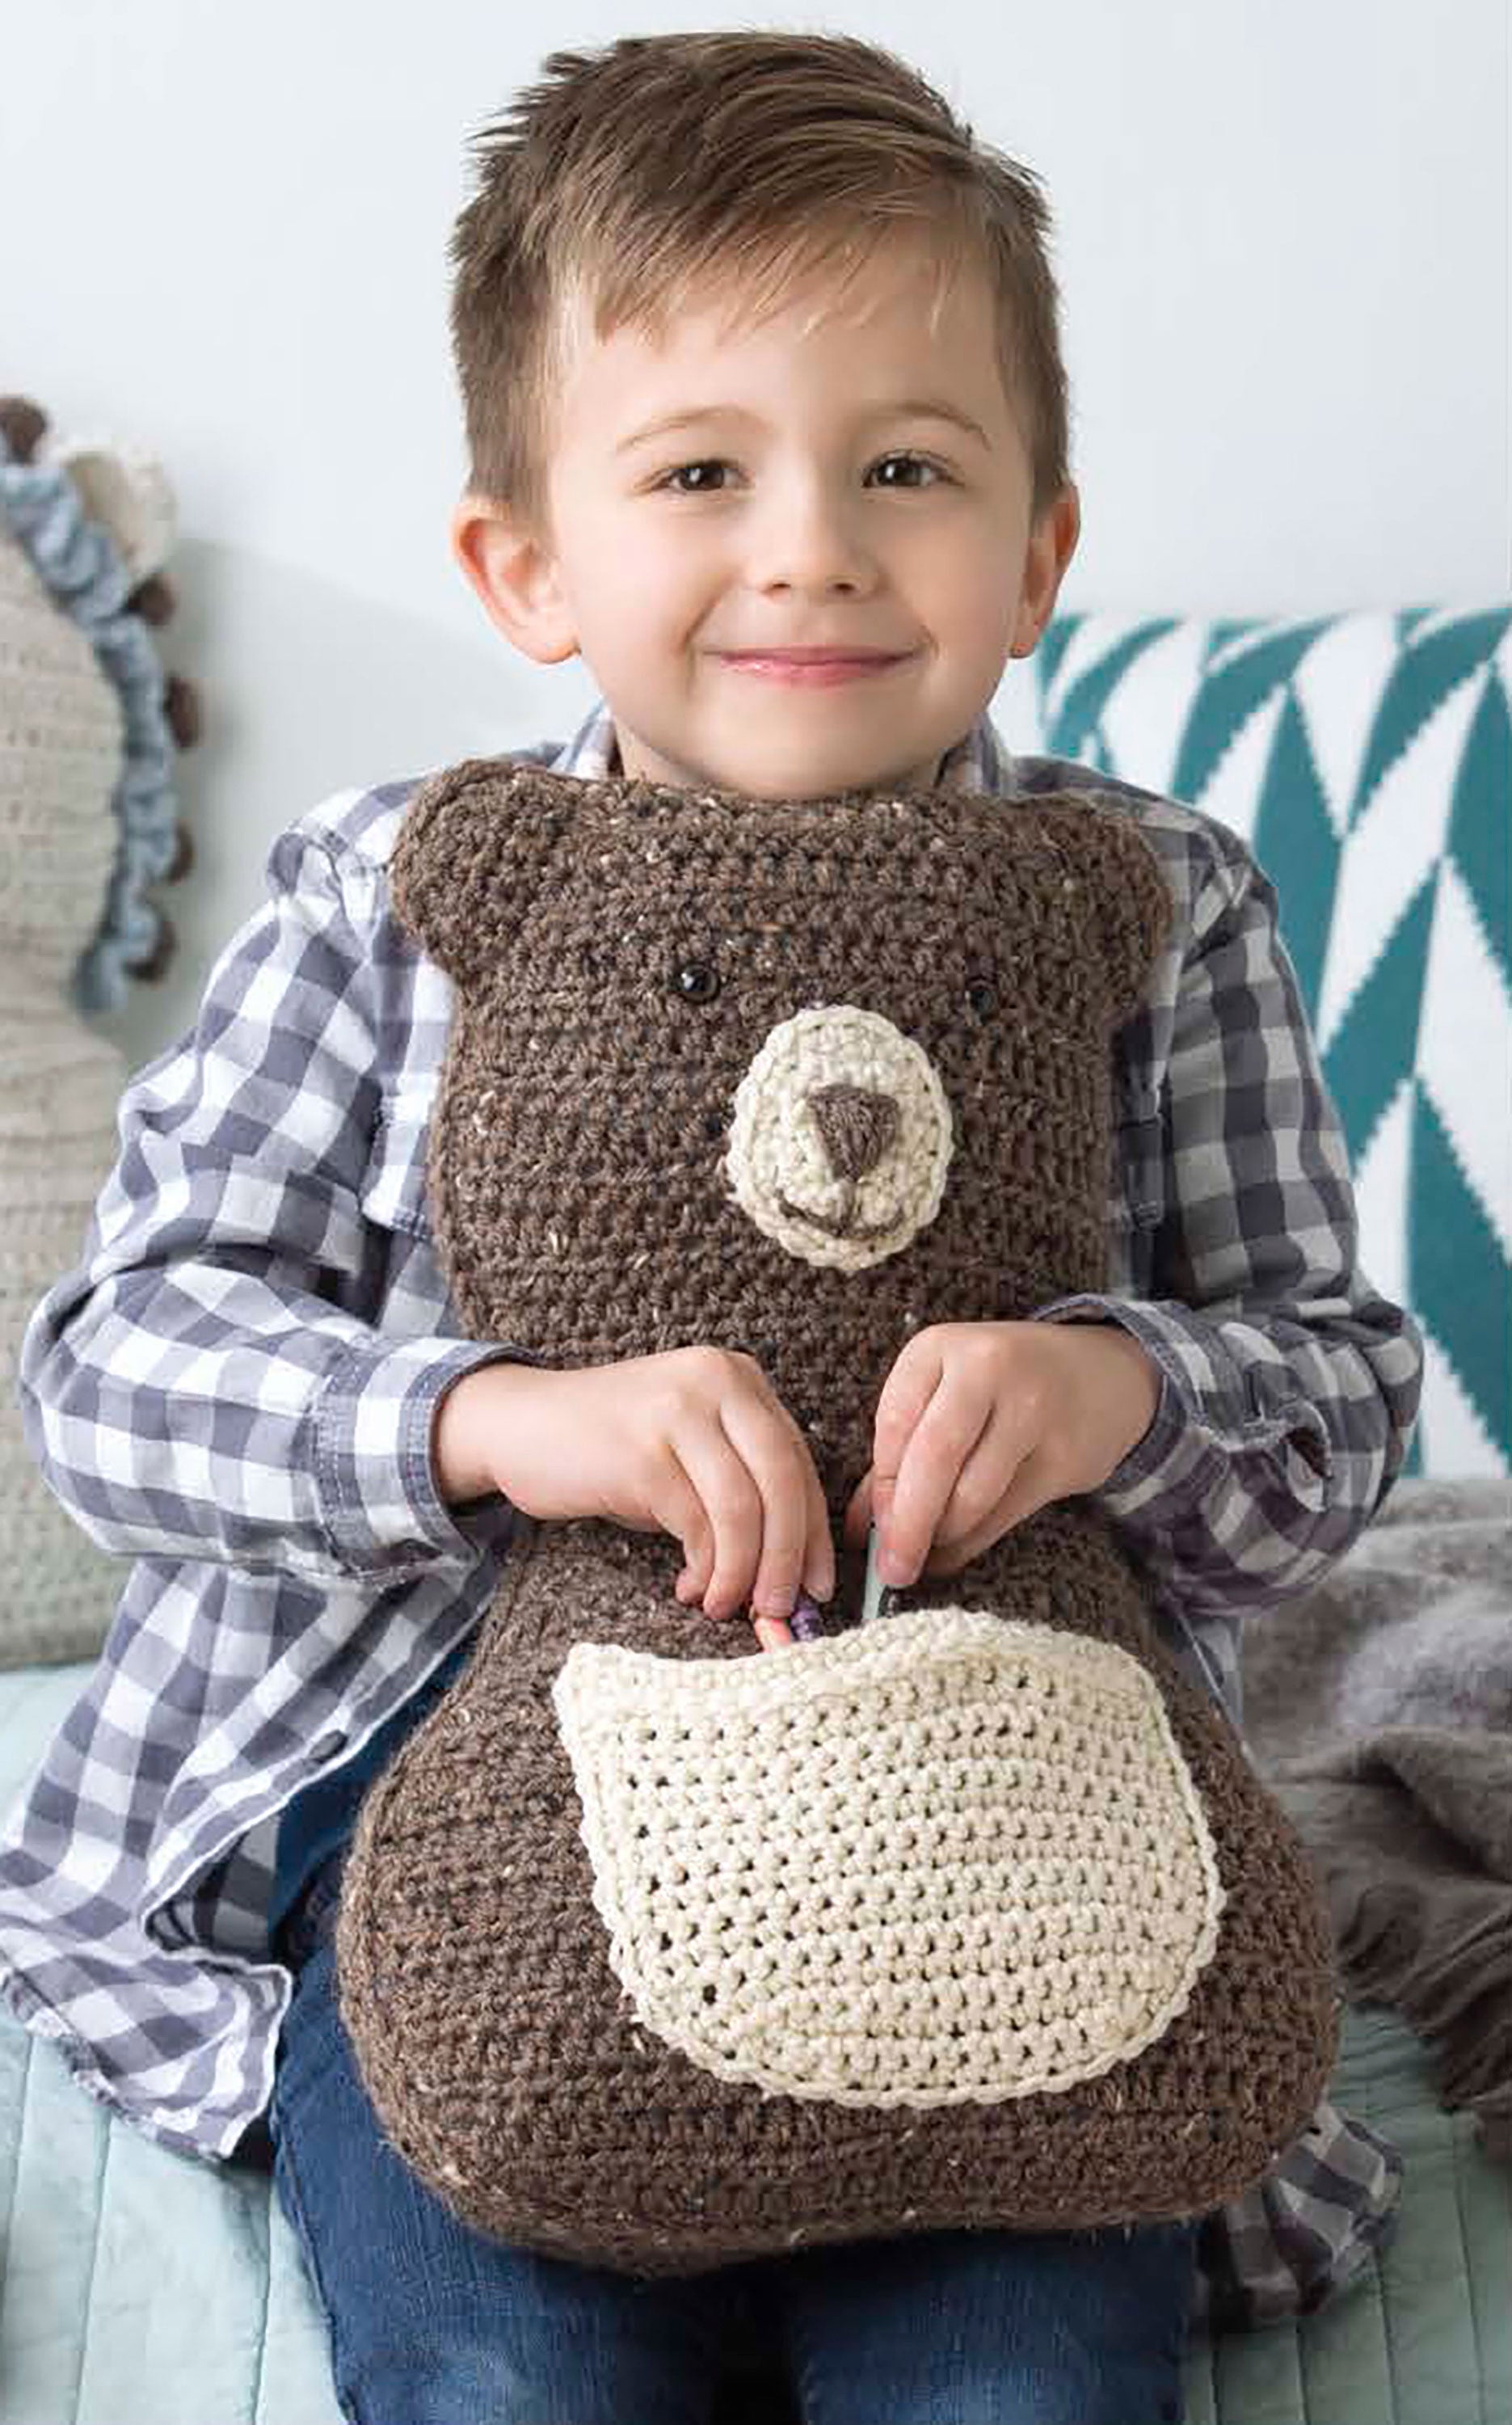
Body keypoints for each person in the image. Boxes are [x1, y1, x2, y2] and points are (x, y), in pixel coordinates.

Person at [1, 29, 1421, 2425]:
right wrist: (495, 1422)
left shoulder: (1148, 901)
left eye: (908, 468)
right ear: (525, 564)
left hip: (989, 1817)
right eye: (697, 470)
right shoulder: (395, 896)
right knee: (509, 2373)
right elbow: (114, 1377)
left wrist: (1125, 1387)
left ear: (1043, 547)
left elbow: (1339, 1393)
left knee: (1026, 2390)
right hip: (448, 1815)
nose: (812, 547)